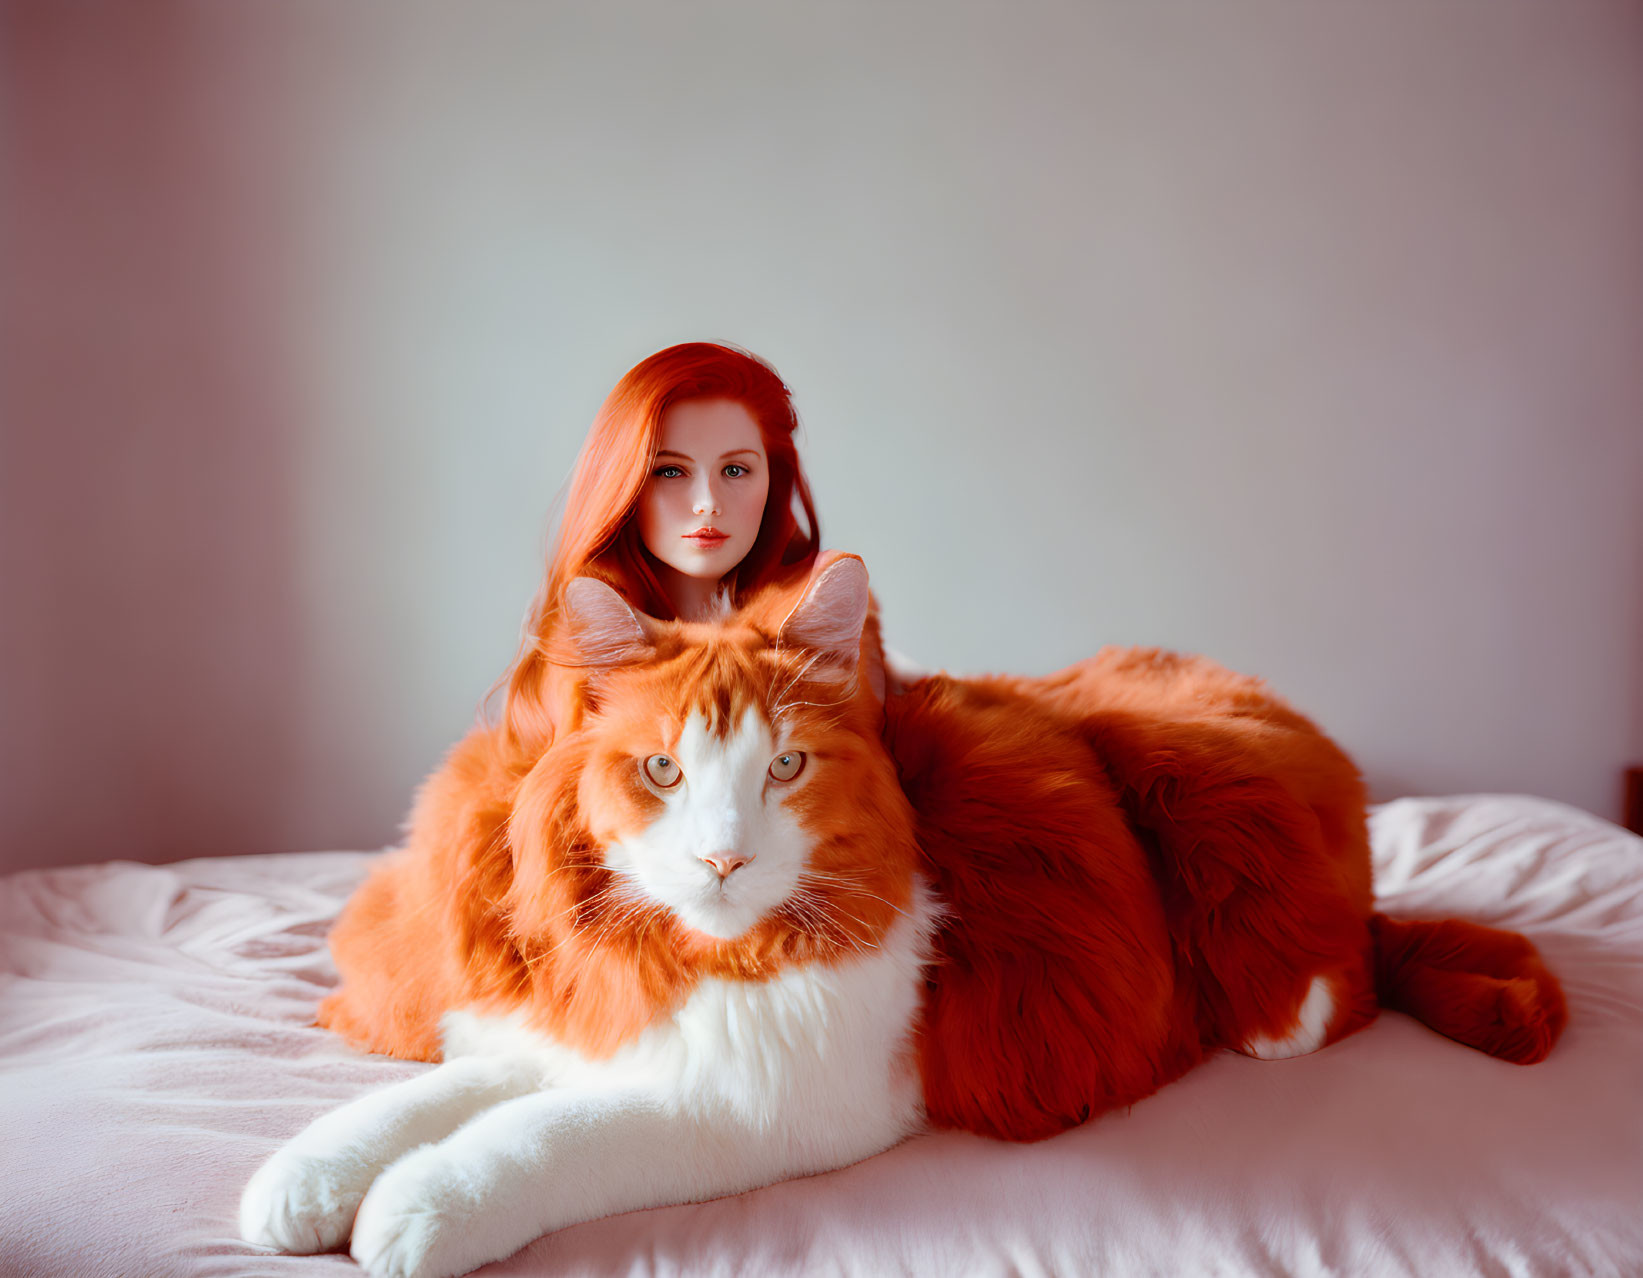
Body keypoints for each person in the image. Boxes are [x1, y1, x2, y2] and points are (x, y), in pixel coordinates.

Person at [491, 341, 878, 754]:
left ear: (772, 481)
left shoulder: (825, 635)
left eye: (735, 469)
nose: (707, 502)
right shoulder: (571, 669)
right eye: (670, 471)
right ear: (622, 486)